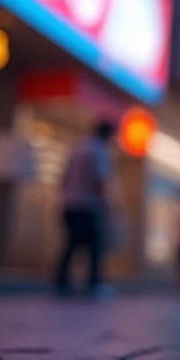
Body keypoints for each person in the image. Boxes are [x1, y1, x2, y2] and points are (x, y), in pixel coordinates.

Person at [54, 120, 116, 298]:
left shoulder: (77, 147)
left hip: (69, 203)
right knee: (95, 246)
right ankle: (94, 284)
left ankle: (61, 282)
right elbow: (99, 181)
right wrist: (107, 205)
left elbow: (63, 177)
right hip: (87, 206)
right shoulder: (98, 150)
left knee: (71, 244)